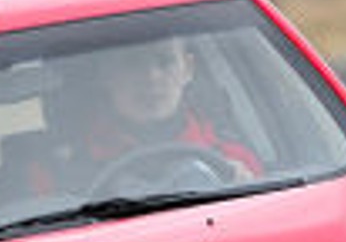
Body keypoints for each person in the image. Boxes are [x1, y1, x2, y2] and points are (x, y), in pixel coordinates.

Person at [65, 38, 263, 186]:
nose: (152, 76)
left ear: (188, 69)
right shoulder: (64, 174)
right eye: (132, 63)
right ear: (106, 74)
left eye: (165, 61)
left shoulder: (235, 161)